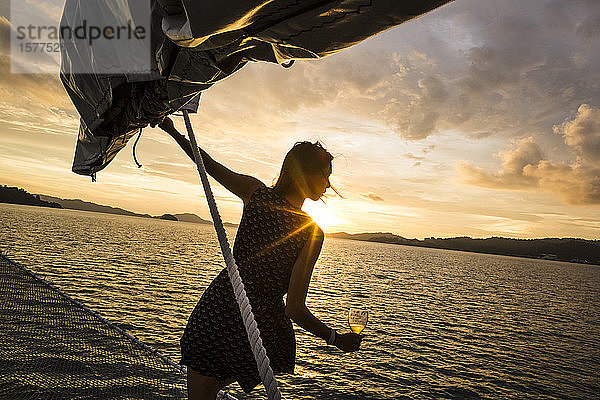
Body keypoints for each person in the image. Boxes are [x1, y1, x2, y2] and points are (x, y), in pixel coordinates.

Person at [159, 117, 362, 400]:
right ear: (306, 174)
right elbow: (294, 309)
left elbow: (207, 164)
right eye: (325, 175)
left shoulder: (256, 194)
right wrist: (335, 339)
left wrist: (174, 132)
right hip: (254, 327)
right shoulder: (311, 233)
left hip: (217, 310)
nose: (328, 184)